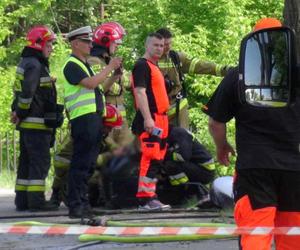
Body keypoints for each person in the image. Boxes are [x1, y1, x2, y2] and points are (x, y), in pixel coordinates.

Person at [203, 18, 300, 250]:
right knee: (293, 235)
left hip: (254, 167)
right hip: (295, 168)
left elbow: (216, 122)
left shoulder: (238, 76)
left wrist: (221, 146)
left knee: (257, 231)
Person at [63, 26, 122, 219]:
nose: (90, 45)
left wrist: (114, 76)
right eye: (86, 42)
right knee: (80, 164)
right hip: (83, 119)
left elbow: (98, 88)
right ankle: (75, 205)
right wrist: (109, 67)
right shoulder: (71, 64)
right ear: (75, 44)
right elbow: (90, 84)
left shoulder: (84, 65)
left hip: (93, 119)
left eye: (90, 41)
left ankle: (83, 203)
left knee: (88, 165)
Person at [11, 25, 63, 211]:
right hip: (36, 124)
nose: (51, 48)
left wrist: (16, 111)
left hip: (28, 123)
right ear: (39, 43)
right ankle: (37, 202)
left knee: (26, 163)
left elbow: (19, 92)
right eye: (49, 44)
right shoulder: (34, 64)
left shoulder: (26, 62)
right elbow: (27, 95)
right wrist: (21, 111)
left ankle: (22, 201)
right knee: (40, 163)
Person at [49, 104, 123, 209]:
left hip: (69, 167)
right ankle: (64, 195)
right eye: (108, 127)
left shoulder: (95, 131)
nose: (110, 131)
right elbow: (92, 160)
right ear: (101, 124)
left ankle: (62, 195)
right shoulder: (88, 134)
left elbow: (112, 146)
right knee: (97, 173)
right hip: (67, 166)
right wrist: (110, 156)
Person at [156, 28, 231, 129]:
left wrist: (224, 70)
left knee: (182, 140)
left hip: (178, 107)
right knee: (158, 142)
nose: (168, 47)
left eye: (170, 43)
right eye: (165, 44)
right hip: (157, 110)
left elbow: (201, 66)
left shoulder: (176, 58)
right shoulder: (149, 61)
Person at [131, 32, 171, 211]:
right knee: (149, 157)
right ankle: (145, 199)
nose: (159, 48)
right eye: (156, 45)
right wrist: (147, 118)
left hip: (161, 118)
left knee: (157, 158)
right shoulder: (142, 65)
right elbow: (140, 92)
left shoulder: (154, 66)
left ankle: (150, 196)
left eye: (162, 46)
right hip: (152, 118)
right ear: (147, 46)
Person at [88, 21, 133, 150]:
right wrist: (116, 79)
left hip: (119, 121)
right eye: (115, 42)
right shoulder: (94, 61)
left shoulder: (110, 61)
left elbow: (127, 82)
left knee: (128, 156)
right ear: (105, 41)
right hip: (106, 121)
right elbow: (100, 88)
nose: (117, 46)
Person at [157, 126, 215, 207]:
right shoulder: (169, 136)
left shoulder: (178, 133)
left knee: (171, 165)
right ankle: (181, 194)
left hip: (205, 170)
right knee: (169, 165)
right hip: (195, 167)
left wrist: (164, 156)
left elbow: (184, 156)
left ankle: (185, 194)